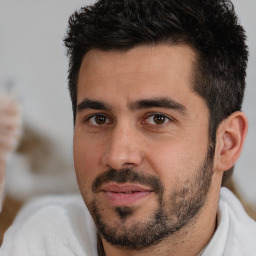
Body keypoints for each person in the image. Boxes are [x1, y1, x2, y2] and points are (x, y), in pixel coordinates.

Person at [1, 0, 256, 255]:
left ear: (227, 143)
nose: (117, 156)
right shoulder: (36, 243)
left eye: (157, 119)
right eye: (98, 119)